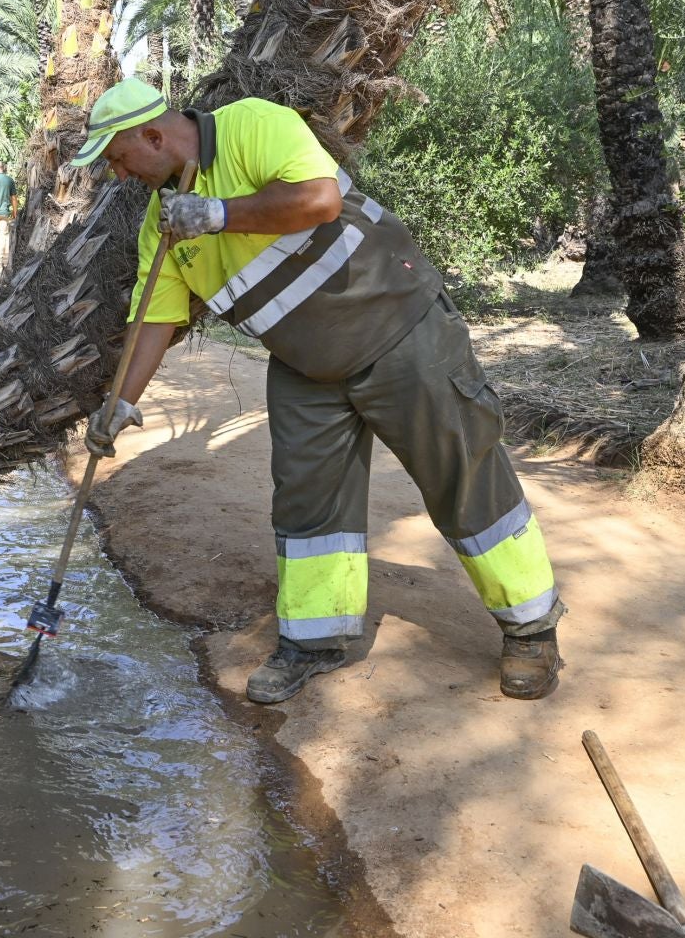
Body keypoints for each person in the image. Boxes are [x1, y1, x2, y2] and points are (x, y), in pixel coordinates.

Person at [70, 78, 564, 705]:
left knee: (463, 474)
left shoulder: (251, 125)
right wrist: (121, 400)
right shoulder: (161, 226)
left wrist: (219, 214)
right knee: (309, 506)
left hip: (396, 328)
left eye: (117, 156)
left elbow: (320, 199)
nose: (118, 173)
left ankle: (531, 626)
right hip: (305, 362)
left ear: (153, 135)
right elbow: (155, 319)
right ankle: (314, 641)